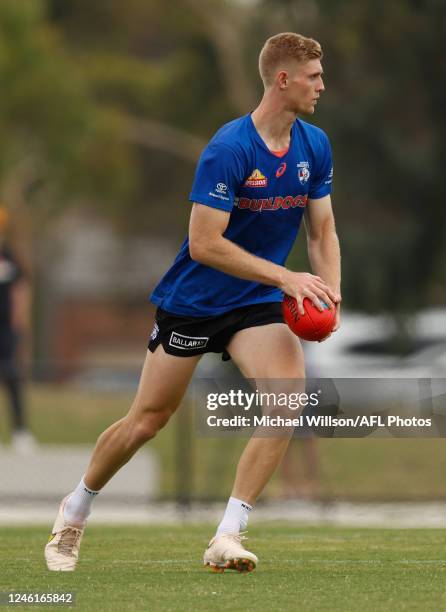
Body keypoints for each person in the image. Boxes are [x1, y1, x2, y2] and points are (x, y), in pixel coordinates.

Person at [45, 32, 341, 573]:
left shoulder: (314, 144)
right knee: (148, 420)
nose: (322, 84)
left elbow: (321, 231)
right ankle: (76, 506)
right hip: (197, 299)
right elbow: (205, 245)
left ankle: (228, 534)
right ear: (283, 79)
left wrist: (327, 290)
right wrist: (287, 275)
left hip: (258, 301)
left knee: (286, 401)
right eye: (314, 76)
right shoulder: (229, 149)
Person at [0, 207, 34, 453]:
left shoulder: (11, 259)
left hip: (6, 331)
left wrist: (21, 328)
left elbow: (21, 293)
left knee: (12, 377)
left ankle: (21, 431)